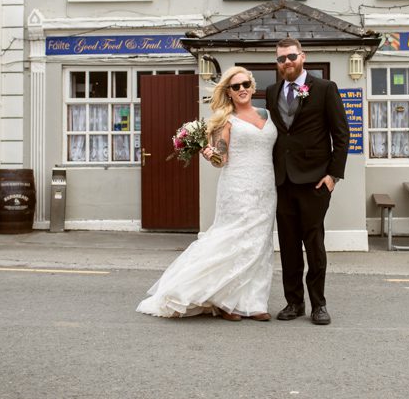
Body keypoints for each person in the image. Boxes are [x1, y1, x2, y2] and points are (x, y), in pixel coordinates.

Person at [136, 66, 277, 321]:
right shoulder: (225, 120)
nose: (242, 89)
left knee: (259, 244)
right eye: (235, 86)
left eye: (245, 84)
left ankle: (253, 303)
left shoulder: (266, 114)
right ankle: (224, 302)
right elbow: (221, 160)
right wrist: (210, 154)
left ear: (253, 87)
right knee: (232, 243)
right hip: (237, 188)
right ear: (229, 92)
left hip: (266, 189)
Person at [265, 37, 349, 325]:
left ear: (303, 56)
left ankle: (319, 305)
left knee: (314, 245)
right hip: (283, 181)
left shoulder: (325, 88)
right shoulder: (272, 91)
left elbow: (341, 134)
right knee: (288, 246)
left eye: (291, 56)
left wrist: (333, 175)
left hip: (315, 181)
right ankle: (294, 302)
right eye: (281, 59)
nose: (286, 62)